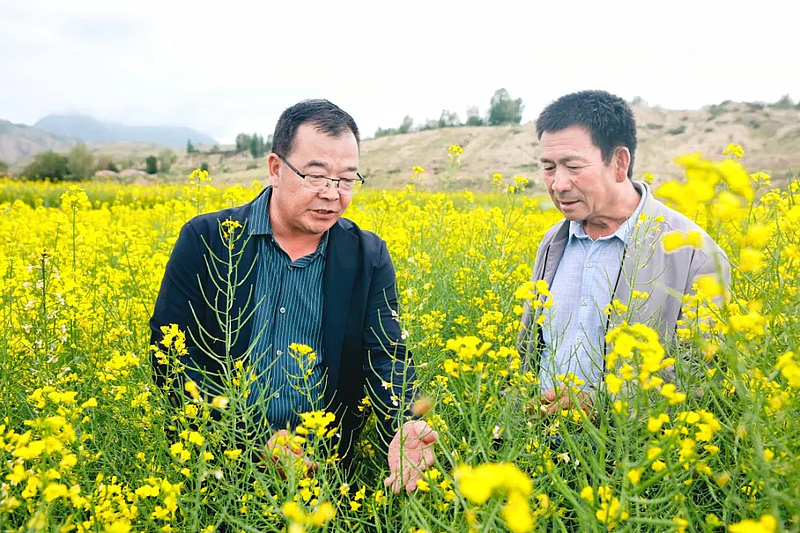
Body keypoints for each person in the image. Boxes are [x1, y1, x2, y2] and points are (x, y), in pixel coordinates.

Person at [149, 99, 436, 492]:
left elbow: (386, 356)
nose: (332, 194)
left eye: (346, 180)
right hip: (212, 470)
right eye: (316, 176)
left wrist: (405, 423)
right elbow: (171, 356)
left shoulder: (367, 256)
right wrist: (251, 439)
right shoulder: (207, 240)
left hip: (324, 475)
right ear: (275, 169)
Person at [518, 90, 730, 415]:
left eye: (572, 166)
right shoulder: (553, 241)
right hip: (540, 437)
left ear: (619, 163)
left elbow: (700, 376)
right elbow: (533, 352)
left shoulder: (693, 253)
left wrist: (602, 403)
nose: (558, 184)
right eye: (548, 167)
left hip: (632, 443)